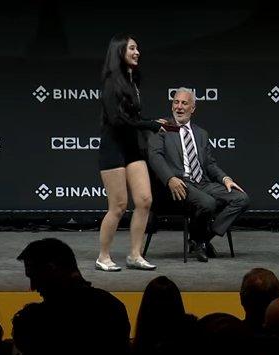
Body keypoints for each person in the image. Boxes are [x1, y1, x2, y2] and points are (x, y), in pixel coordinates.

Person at [148, 88, 250, 262]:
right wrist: (170, 178)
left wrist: (225, 179)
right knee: (207, 203)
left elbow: (209, 164)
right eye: (176, 102)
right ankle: (200, 241)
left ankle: (201, 239)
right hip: (179, 183)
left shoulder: (201, 134)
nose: (179, 107)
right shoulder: (162, 128)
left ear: (193, 108)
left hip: (202, 182)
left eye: (184, 103)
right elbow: (155, 157)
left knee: (241, 198)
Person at [97, 33, 167, 271]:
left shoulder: (133, 80)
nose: (137, 53)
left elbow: (133, 118)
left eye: (137, 48)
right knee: (118, 206)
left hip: (132, 148)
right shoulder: (111, 82)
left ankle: (135, 255)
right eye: (132, 49)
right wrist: (149, 124)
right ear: (120, 52)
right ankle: (103, 257)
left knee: (145, 200)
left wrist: (151, 122)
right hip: (113, 148)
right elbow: (118, 120)